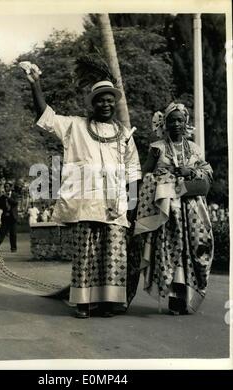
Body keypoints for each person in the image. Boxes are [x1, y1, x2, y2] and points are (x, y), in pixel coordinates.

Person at [20, 60, 141, 318]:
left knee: (113, 257)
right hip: (85, 204)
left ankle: (108, 303)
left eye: (110, 100)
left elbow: (133, 171)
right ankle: (84, 303)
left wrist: (132, 204)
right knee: (85, 254)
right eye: (100, 100)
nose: (105, 104)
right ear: (92, 103)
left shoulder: (124, 134)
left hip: (115, 205)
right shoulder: (75, 126)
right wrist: (36, 84)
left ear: (114, 103)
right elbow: (46, 117)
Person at [134, 102, 214, 315]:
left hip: (191, 209)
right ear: (165, 123)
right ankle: (173, 300)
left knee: (192, 247)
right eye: (172, 120)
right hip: (167, 209)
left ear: (186, 121)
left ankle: (186, 297)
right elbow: (144, 174)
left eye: (180, 120)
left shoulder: (194, 148)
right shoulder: (157, 147)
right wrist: (163, 178)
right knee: (170, 249)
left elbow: (206, 173)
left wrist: (190, 172)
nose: (176, 124)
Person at [0, 182, 18, 252]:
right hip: (5, 217)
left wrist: (8, 197)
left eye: (7, 187)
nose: (6, 188)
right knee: (2, 233)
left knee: (13, 233)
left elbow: (15, 202)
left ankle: (13, 248)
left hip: (13, 217)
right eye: (5, 187)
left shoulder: (14, 195)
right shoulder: (2, 197)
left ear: (11, 187)